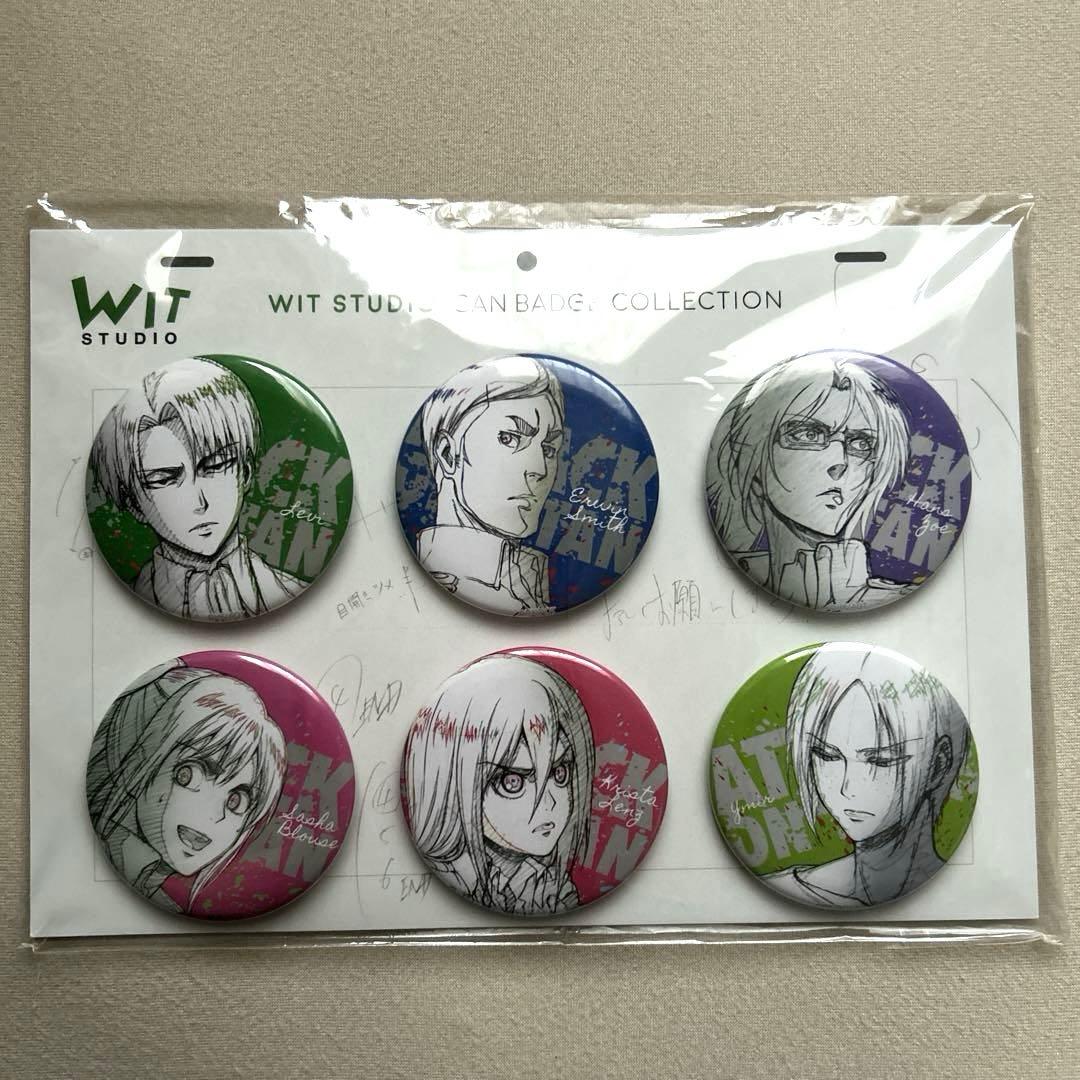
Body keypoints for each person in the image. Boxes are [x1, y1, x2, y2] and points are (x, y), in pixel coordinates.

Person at [90, 357, 302, 620]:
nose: (199, 502)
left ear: (245, 472)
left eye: (215, 466)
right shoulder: (121, 606)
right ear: (135, 505)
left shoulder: (288, 589)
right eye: (164, 480)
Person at [766, 644, 970, 907]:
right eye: (827, 755)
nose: (847, 789)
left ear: (938, 765)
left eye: (880, 760)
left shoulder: (962, 893)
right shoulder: (786, 887)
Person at [707, 351, 911, 609]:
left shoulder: (886, 596)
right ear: (752, 455)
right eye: (808, 434)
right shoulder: (725, 578)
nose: (840, 461)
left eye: (861, 444)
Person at [86, 661, 287, 912]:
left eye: (237, 801)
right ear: (143, 756)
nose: (215, 816)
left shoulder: (167, 904)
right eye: (189, 775)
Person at [402, 653, 595, 915]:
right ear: (455, 781)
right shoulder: (456, 875)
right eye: (512, 782)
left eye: (559, 773)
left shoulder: (548, 886)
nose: (549, 802)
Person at [416, 355, 565, 614]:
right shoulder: (446, 582)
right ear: (448, 454)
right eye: (509, 438)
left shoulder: (533, 583)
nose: (539, 470)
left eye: (549, 449)